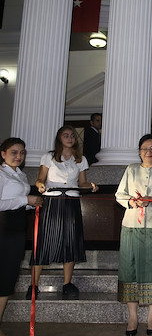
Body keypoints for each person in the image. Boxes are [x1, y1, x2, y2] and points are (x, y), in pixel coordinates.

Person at [27, 125, 98, 299]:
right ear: (59, 138)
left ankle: (67, 283)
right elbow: (40, 179)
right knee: (44, 241)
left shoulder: (81, 159)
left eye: (72, 135)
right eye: (66, 135)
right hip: (52, 200)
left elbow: (82, 183)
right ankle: (33, 285)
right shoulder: (49, 156)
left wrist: (91, 186)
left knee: (70, 241)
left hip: (71, 201)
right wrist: (39, 186)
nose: (70, 138)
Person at [115, 134, 152, 336]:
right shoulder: (131, 169)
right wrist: (131, 202)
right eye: (144, 148)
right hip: (131, 225)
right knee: (128, 268)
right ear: (139, 152)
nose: (148, 152)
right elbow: (119, 194)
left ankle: (151, 316)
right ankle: (132, 316)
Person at [0, 138, 42, 336]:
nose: (19, 156)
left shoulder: (20, 174)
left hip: (16, 230)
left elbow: (14, 203)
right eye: (14, 152)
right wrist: (26, 200)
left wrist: (31, 205)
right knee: (3, 280)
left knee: (7, 280)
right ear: (3, 154)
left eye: (22, 153)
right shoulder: (1, 174)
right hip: (3, 230)